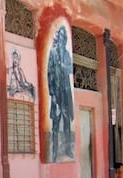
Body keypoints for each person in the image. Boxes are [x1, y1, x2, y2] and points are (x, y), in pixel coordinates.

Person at [48, 26, 74, 162]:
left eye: (65, 38)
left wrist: (65, 67)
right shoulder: (52, 53)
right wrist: (52, 95)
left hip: (66, 94)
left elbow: (70, 69)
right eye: (61, 37)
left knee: (67, 123)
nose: (63, 40)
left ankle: (68, 149)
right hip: (56, 95)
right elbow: (49, 74)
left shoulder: (67, 54)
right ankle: (54, 152)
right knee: (55, 125)